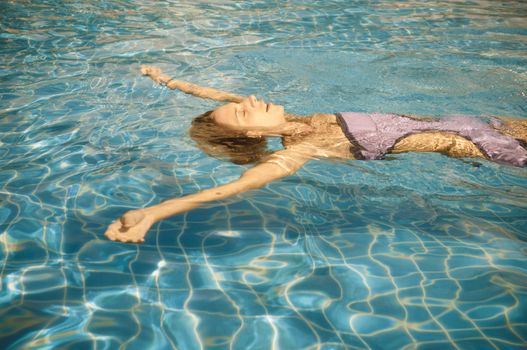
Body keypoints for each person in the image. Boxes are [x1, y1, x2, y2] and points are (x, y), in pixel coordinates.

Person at [104, 65, 527, 243]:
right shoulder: (302, 149)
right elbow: (238, 186)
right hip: (484, 147)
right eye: (243, 110)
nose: (249, 97)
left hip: (481, 122)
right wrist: (157, 212)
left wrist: (169, 81)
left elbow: (216, 93)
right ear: (252, 132)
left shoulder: (302, 119)